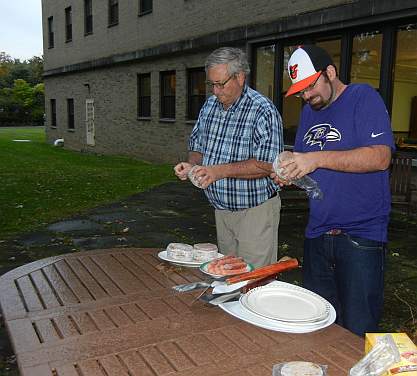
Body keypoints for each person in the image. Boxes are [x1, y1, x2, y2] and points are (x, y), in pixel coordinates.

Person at [273, 44, 395, 336]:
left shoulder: (362, 97)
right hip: (317, 234)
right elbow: (310, 168)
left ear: (330, 72)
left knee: (358, 330)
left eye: (310, 86)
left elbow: (380, 158)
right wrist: (291, 172)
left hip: (360, 236)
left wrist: (313, 159)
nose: (306, 95)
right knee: (319, 325)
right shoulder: (308, 112)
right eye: (300, 91)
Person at [174, 47, 283, 268]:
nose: (215, 91)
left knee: (253, 280)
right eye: (211, 84)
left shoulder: (263, 110)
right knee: (227, 277)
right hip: (221, 212)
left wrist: (217, 171)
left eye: (220, 83)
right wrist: (192, 165)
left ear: (240, 77)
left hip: (255, 212)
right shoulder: (210, 106)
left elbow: (266, 165)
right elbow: (198, 147)